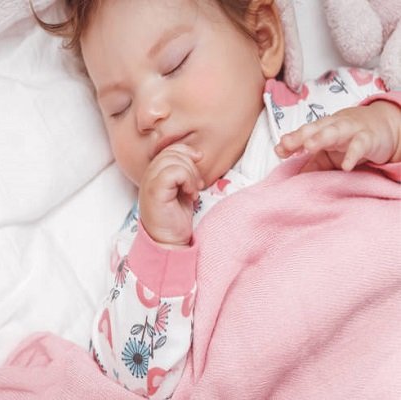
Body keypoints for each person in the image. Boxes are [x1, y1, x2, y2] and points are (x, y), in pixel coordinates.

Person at [36, 0, 401, 398]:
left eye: (174, 65)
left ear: (263, 40)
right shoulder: (148, 236)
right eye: (118, 108)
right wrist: (162, 248)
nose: (148, 114)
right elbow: (130, 377)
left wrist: (386, 129)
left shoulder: (334, 107)